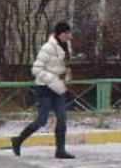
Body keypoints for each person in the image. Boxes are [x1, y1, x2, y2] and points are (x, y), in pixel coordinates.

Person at [12, 22, 75, 159]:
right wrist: (52, 79)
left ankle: (60, 150)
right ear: (61, 34)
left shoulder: (67, 47)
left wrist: (66, 74)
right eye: (67, 33)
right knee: (42, 120)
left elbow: (63, 65)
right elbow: (36, 69)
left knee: (62, 118)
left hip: (59, 87)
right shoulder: (47, 48)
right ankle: (18, 140)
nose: (69, 36)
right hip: (46, 87)